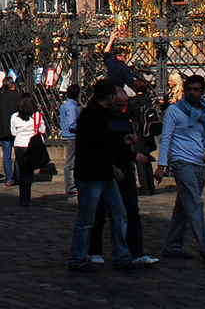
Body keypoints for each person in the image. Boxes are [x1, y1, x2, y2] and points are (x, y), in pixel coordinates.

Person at [68, 79, 141, 272]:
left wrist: (120, 140)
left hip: (104, 175)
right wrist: (131, 154)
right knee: (86, 220)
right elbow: (102, 144)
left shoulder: (98, 114)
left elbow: (106, 141)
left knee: (119, 214)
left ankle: (122, 257)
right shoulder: (92, 115)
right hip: (91, 176)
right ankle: (77, 260)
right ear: (109, 97)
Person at [156, 74, 205, 261]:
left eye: (196, 90)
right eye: (189, 89)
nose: (192, 93)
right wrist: (162, 164)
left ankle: (172, 245)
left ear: (202, 92)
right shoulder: (174, 111)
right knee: (195, 203)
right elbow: (166, 138)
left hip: (199, 162)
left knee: (184, 206)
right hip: (182, 162)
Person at [88, 83, 159, 266]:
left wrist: (130, 143)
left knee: (131, 210)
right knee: (100, 212)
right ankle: (94, 250)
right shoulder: (101, 118)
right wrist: (113, 165)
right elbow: (100, 145)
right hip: (107, 169)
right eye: (118, 105)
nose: (121, 108)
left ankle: (135, 252)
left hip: (125, 167)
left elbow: (120, 141)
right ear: (110, 100)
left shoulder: (124, 118)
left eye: (124, 105)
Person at [11, 94, 46, 205]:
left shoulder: (14, 117)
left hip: (18, 145)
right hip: (31, 145)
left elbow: (13, 132)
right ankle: (26, 198)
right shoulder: (37, 116)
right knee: (29, 172)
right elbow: (42, 130)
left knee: (22, 171)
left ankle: (22, 196)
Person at [0, 76, 22, 185]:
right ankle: (17, 176)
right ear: (13, 85)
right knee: (19, 154)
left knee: (7, 155)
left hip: (3, 130)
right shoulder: (20, 97)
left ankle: (9, 178)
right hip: (18, 129)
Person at [58, 83, 81, 195]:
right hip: (72, 136)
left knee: (72, 161)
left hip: (68, 135)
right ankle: (70, 185)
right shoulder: (71, 107)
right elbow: (72, 124)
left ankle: (73, 184)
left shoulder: (65, 105)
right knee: (71, 161)